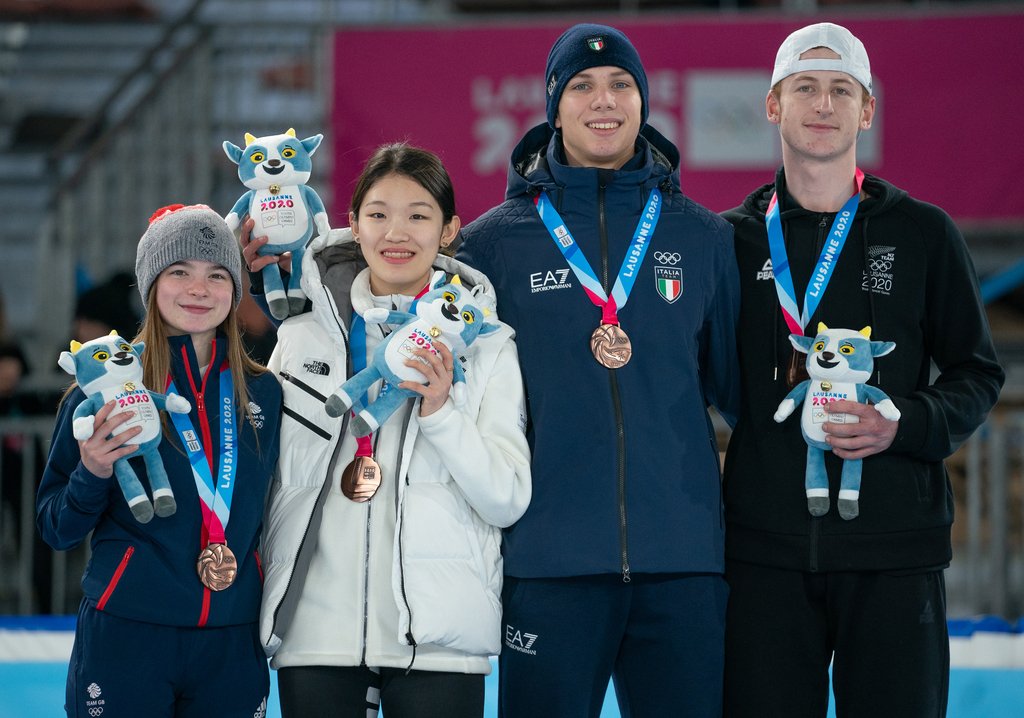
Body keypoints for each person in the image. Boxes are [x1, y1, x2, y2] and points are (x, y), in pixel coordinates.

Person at [455, 23, 740, 718]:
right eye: (581, 86)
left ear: (643, 102)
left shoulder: (704, 237)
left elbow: (741, 397)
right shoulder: (491, 246)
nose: (603, 100)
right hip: (548, 561)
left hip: (681, 563)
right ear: (554, 108)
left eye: (620, 84)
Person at [720, 22, 1005, 717]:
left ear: (867, 110)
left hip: (895, 554)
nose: (823, 104)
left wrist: (902, 423)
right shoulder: (729, 241)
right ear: (773, 105)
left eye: (841, 90)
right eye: (805, 88)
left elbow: (976, 372)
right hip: (764, 557)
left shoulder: (923, 233)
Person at [246, 143, 531, 718]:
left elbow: (506, 498)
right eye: (378, 214)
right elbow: (262, 472)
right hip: (314, 632)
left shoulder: (488, 345)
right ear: (353, 225)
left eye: (418, 215)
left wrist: (441, 413)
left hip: (439, 636)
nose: (396, 233)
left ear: (449, 230)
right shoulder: (302, 336)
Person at [36, 203, 282, 718]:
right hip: (128, 634)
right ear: (151, 284)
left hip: (232, 640)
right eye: (180, 272)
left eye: (217, 275)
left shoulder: (264, 392)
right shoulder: (100, 393)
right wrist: (92, 473)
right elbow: (56, 528)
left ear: (234, 289)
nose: (199, 289)